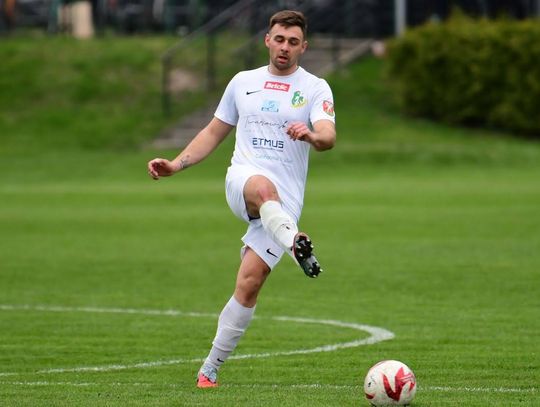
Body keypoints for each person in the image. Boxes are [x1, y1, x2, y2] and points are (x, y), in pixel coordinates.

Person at [147, 9, 336, 388]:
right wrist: (176, 164)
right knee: (263, 187)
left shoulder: (315, 88)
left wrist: (311, 135)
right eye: (279, 39)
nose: (284, 47)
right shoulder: (243, 82)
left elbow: (328, 136)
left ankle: (209, 369)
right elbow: (213, 132)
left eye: (293, 42)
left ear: (304, 47)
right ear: (267, 40)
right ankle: (295, 245)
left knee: (249, 283)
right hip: (243, 180)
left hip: (284, 206)